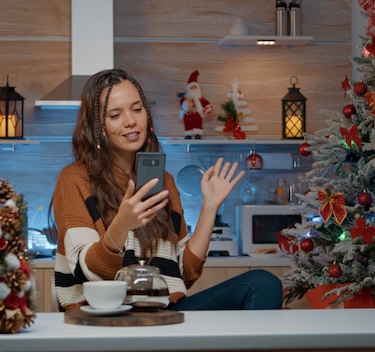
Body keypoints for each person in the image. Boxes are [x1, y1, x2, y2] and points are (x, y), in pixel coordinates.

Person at [52, 68, 283, 311]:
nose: (131, 120)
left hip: (164, 314)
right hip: (105, 317)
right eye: (115, 114)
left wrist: (210, 207)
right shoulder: (75, 179)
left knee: (262, 284)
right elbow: (89, 272)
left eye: (137, 109)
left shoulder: (164, 181)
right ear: (98, 126)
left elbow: (184, 273)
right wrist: (121, 225)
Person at [179, 70, 213, 139]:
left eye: (195, 87)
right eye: (192, 88)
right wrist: (187, 104)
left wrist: (209, 109)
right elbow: (181, 102)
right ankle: (188, 134)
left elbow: (207, 104)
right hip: (188, 114)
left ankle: (198, 134)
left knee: (198, 124)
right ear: (188, 89)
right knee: (188, 124)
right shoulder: (186, 98)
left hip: (197, 115)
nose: (193, 89)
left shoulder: (200, 99)